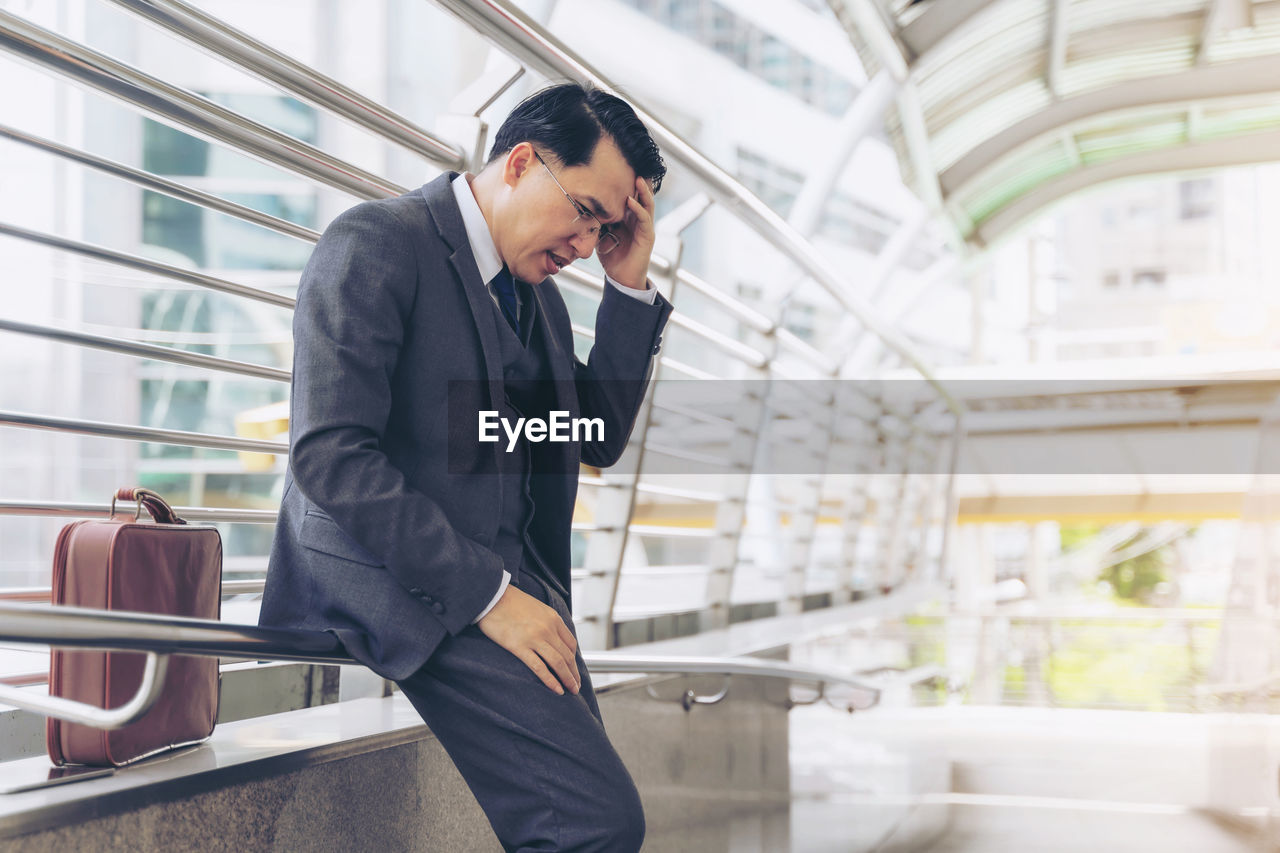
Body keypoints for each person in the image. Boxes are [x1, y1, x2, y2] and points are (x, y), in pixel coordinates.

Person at [259, 81, 672, 852]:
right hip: (411, 579)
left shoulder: (539, 295)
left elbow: (596, 433)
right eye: (585, 212)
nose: (588, 245)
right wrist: (488, 595)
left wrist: (627, 283)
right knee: (594, 823)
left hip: (518, 587)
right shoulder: (377, 241)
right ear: (520, 162)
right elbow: (330, 454)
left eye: (605, 227)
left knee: (587, 820)